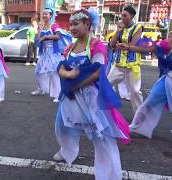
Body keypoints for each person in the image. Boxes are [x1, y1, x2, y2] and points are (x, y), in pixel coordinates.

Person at [53, 9, 130, 180]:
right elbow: (62, 67)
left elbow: (97, 73)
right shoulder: (69, 47)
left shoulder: (97, 46)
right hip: (70, 96)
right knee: (62, 127)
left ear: (87, 24)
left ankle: (110, 175)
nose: (72, 27)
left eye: (76, 24)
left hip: (90, 97)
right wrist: (67, 75)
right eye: (71, 24)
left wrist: (77, 84)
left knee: (100, 136)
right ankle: (67, 151)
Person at [117, 9, 172, 148]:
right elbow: (149, 50)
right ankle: (135, 127)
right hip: (170, 81)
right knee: (149, 103)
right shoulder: (170, 43)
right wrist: (128, 47)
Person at [108, 6, 143, 112]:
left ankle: (140, 118)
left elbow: (132, 45)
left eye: (125, 15)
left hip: (132, 65)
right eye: (122, 15)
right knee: (106, 85)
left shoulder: (138, 27)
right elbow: (111, 44)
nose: (122, 17)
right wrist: (118, 31)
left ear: (132, 16)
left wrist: (123, 45)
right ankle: (105, 110)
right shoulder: (120, 27)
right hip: (118, 64)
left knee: (135, 91)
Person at [31, 8, 69, 102]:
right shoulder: (42, 27)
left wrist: (46, 37)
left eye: (46, 14)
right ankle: (41, 89)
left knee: (53, 73)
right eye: (43, 14)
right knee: (38, 72)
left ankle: (58, 94)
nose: (44, 15)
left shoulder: (54, 26)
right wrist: (39, 31)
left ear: (51, 16)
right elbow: (37, 42)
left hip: (53, 53)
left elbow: (58, 36)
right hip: (44, 53)